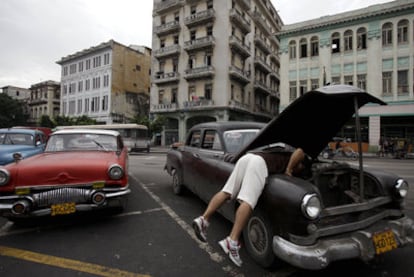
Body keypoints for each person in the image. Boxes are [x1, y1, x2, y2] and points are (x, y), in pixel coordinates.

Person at [192, 146, 306, 267]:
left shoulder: (280, 149)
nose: (300, 169)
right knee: (248, 201)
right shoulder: (297, 156)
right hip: (259, 163)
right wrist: (289, 170)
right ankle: (232, 241)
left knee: (227, 192)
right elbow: (300, 151)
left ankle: (203, 219)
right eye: (301, 167)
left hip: (247, 158)